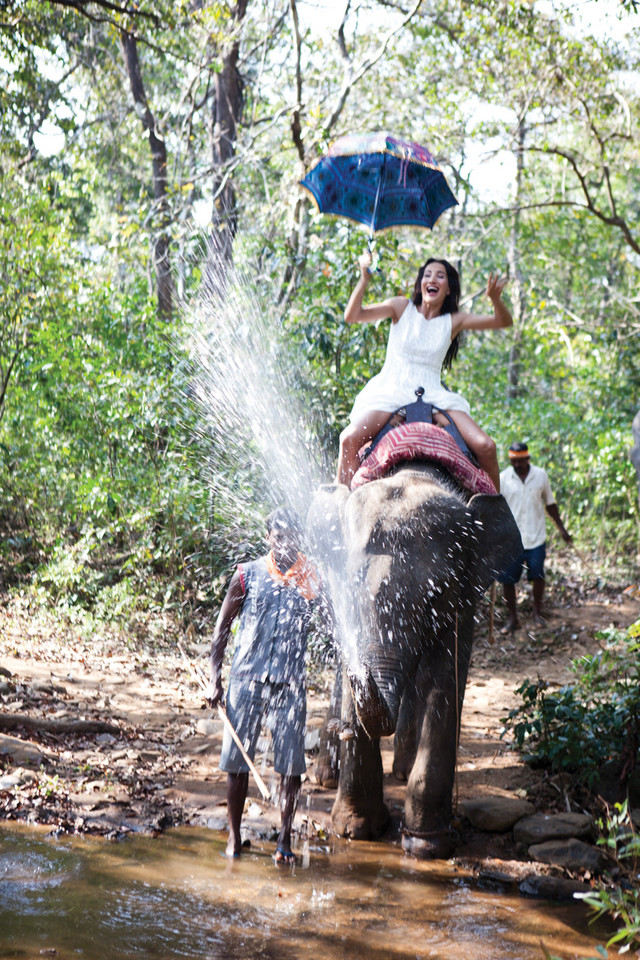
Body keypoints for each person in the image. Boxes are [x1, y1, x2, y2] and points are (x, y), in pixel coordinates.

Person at [206, 506, 328, 863]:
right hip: (245, 680)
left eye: (291, 536)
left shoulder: (311, 578)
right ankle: (234, 835)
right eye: (278, 536)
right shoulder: (246, 575)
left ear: (299, 538)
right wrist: (215, 679)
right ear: (268, 538)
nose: (285, 542)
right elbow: (222, 629)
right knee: (236, 763)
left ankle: (284, 840)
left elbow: (331, 627)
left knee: (290, 766)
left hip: (290, 684)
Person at [335, 251, 513, 491]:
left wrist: (495, 298)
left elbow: (503, 321)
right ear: (421, 284)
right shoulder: (401, 307)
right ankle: (341, 505)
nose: (433, 279)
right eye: (427, 274)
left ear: (448, 289)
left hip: (434, 395)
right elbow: (352, 315)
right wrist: (364, 278)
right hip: (392, 390)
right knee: (348, 439)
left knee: (486, 446)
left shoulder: (454, 320)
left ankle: (495, 514)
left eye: (440, 276)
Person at [498, 442, 572, 630]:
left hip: (536, 537)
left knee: (538, 575)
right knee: (508, 580)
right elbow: (498, 508)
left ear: (527, 458)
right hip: (511, 540)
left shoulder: (540, 476)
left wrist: (562, 529)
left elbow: (550, 504)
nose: (517, 464)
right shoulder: (503, 478)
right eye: (513, 461)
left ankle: (537, 613)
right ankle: (513, 618)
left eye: (520, 461)